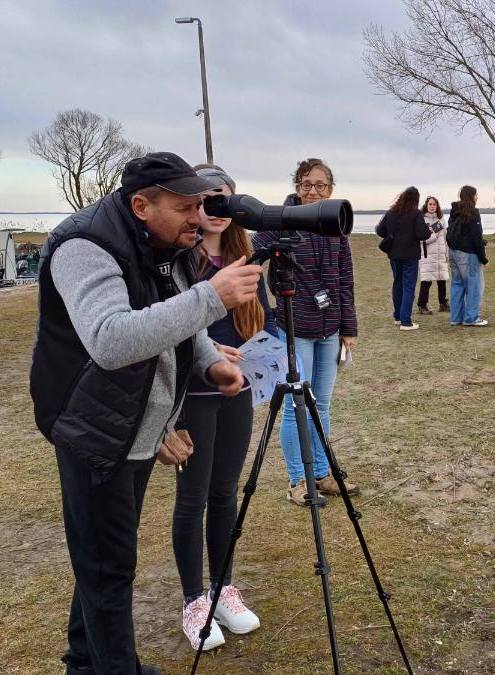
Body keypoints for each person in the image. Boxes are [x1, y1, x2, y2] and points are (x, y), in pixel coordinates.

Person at [30, 151, 263, 675]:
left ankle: (84, 663)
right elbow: (110, 340)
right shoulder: (84, 246)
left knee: (101, 560)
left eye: (200, 205)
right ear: (141, 205)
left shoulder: (167, 243)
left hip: (136, 424)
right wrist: (211, 298)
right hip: (94, 427)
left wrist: (208, 363)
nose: (198, 217)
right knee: (109, 569)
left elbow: (174, 320)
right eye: (185, 207)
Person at [170, 163, 274, 652]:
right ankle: (194, 601)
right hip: (191, 395)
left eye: (224, 197)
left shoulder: (244, 256)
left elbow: (263, 318)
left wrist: (261, 351)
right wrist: (208, 351)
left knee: (226, 493)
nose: (216, 207)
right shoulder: (177, 261)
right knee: (192, 498)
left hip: (239, 392)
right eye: (206, 197)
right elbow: (164, 325)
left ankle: (222, 588)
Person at [252, 158, 359, 507]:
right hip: (294, 329)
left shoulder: (336, 225)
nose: (313, 190)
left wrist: (348, 327)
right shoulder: (281, 222)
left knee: (321, 404)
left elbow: (345, 280)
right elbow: (249, 255)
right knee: (296, 406)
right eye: (306, 184)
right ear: (297, 187)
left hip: (330, 329)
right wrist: (264, 310)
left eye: (320, 184)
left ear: (330, 189)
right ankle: (298, 479)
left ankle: (323, 472)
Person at [375, 186, 431, 331]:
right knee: (408, 287)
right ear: (416, 200)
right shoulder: (416, 214)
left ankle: (398, 316)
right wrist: (428, 230)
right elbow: (422, 234)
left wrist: (391, 235)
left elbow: (380, 230)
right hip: (410, 255)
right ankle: (406, 321)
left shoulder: (391, 213)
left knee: (398, 284)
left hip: (394, 254)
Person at [445, 185, 489, 327]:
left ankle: (456, 317)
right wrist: (483, 258)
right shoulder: (473, 212)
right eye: (476, 195)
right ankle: (471, 318)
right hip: (468, 254)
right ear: (471, 196)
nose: (477, 197)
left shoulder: (454, 211)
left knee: (457, 285)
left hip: (454, 252)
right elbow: (476, 237)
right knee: (474, 286)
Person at [417, 196, 449, 315]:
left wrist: (447, 252)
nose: (432, 206)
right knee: (427, 280)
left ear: (437, 206)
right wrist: (433, 237)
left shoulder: (442, 220)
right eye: (430, 204)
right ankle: (422, 305)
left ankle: (443, 304)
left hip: (441, 254)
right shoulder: (421, 220)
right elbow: (420, 239)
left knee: (442, 279)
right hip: (428, 255)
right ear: (426, 205)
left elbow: (446, 238)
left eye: (434, 204)